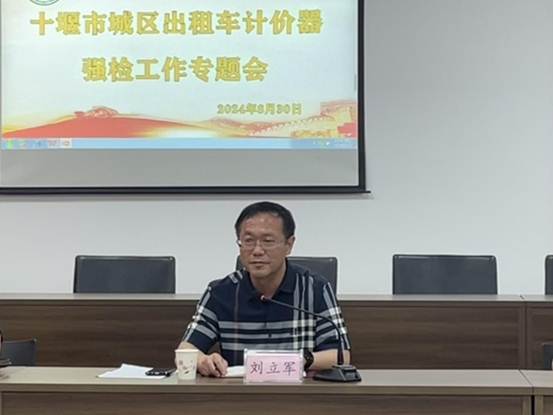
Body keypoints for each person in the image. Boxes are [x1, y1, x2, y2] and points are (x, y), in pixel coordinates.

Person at [177, 201, 351, 377]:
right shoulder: (220, 292)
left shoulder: (316, 289)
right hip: (238, 391)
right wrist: (203, 360)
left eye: (268, 241)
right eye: (248, 241)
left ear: (289, 245)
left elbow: (341, 356)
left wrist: (301, 359)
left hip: (297, 391)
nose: (257, 250)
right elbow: (186, 349)